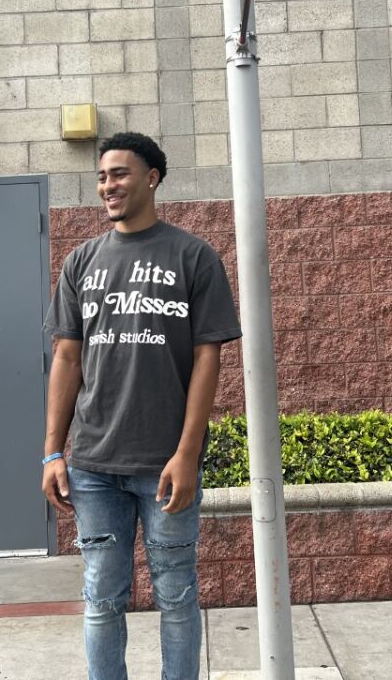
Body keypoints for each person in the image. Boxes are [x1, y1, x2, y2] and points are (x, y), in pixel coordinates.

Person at [42, 132, 242, 680]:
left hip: (164, 465)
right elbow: (66, 358)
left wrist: (186, 453)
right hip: (93, 467)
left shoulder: (193, 256)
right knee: (102, 599)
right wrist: (51, 453)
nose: (108, 185)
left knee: (176, 597)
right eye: (103, 176)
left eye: (120, 174)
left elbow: (208, 361)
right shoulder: (82, 261)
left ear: (152, 177)